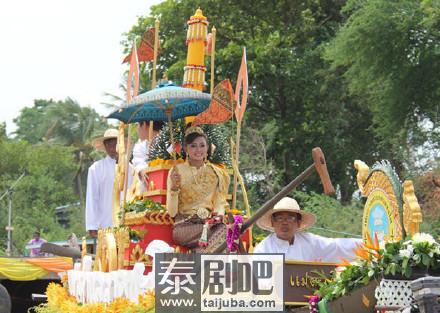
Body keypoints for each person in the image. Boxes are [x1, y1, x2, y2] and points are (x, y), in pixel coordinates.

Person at [167, 126, 230, 252]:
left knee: (227, 230)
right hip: (184, 226)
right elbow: (172, 213)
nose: (198, 150)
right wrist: (174, 189)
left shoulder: (216, 173)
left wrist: (219, 216)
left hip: (208, 224)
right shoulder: (176, 172)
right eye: (193, 146)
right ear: (186, 148)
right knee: (224, 233)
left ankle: (200, 255)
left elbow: (219, 202)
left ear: (207, 148)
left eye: (202, 145)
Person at [254, 197, 362, 262]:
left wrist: (368, 244)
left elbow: (336, 247)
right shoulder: (262, 249)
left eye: (290, 218)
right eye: (280, 218)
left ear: (298, 223)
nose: (285, 222)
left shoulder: (309, 241)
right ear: (273, 222)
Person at [85, 128, 119, 237]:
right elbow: (92, 197)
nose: (112, 147)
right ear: (105, 146)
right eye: (109, 144)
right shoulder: (96, 169)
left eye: (116, 143)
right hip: (105, 223)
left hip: (128, 223)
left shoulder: (131, 169)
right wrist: (92, 225)